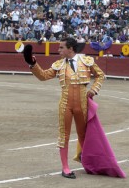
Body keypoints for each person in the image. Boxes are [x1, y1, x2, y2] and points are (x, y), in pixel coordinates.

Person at [22, 37, 105, 179]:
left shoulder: (86, 61)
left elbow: (100, 75)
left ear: (70, 49)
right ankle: (65, 167)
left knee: (84, 135)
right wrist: (32, 63)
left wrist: (94, 90)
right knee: (63, 135)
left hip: (82, 103)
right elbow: (43, 76)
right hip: (65, 103)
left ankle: (87, 163)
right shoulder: (59, 64)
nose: (58, 50)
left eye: (61, 47)